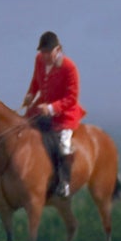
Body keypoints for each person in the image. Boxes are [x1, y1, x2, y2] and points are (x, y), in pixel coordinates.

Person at [20, 31, 84, 197]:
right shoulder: (39, 60)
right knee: (23, 131)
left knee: (64, 145)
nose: (45, 55)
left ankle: (65, 183)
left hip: (64, 115)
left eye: (48, 52)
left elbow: (72, 98)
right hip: (40, 110)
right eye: (43, 52)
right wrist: (30, 95)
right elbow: (36, 81)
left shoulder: (69, 67)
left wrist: (51, 108)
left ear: (58, 49)